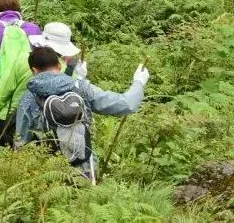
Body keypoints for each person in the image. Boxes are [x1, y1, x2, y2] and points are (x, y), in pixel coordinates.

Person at [15, 46, 149, 182]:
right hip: (84, 166)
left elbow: (21, 141)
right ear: (59, 66)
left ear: (34, 70)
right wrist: (139, 82)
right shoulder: (81, 87)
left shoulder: (27, 99)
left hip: (48, 173)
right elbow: (126, 104)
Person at [0, 21, 85, 147]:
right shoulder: (67, 69)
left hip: (11, 120)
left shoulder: (23, 60)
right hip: (48, 128)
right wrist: (81, 77)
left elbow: (3, 91)